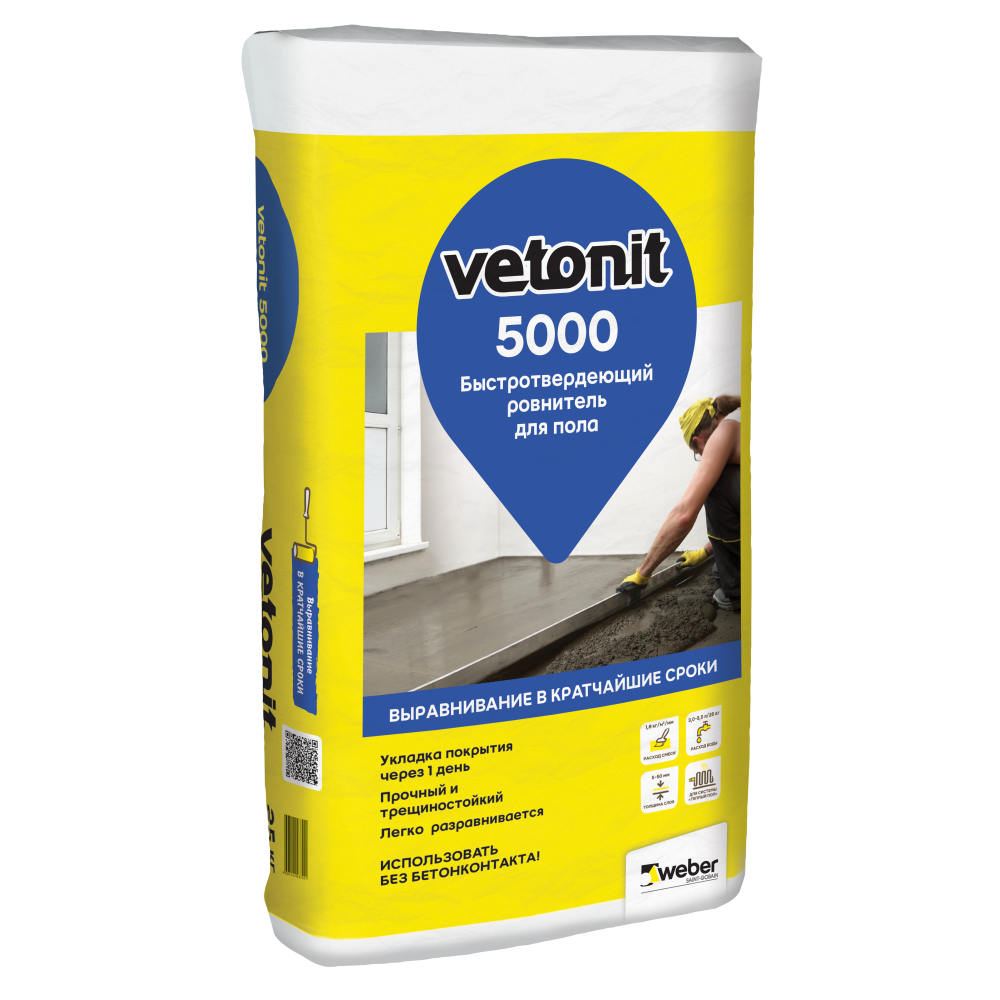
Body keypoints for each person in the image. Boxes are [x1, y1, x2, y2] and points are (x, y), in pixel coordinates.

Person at [616, 395, 741, 610]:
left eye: (697, 453)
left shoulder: (723, 433)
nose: (701, 456)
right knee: (719, 570)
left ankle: (738, 593)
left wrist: (643, 572)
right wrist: (705, 552)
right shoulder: (739, 425)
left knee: (714, 485)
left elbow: (683, 515)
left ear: (698, 441)